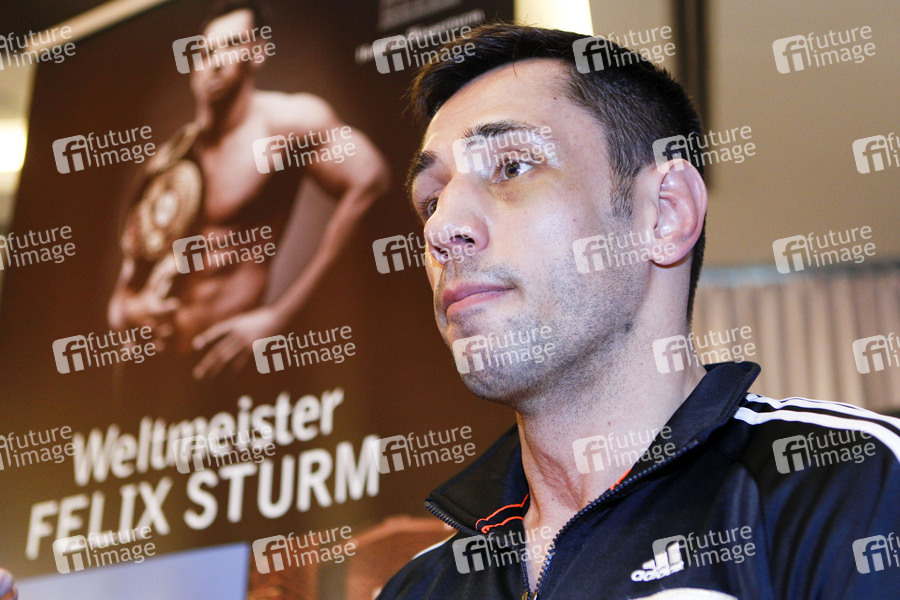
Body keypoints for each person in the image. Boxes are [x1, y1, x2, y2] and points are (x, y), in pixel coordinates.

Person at [377, 23, 900, 599]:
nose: (442, 229)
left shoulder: (855, 488)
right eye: (431, 200)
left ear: (665, 213)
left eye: (511, 167)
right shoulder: (417, 589)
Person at [107, 0, 389, 381]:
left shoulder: (287, 124)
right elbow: (120, 301)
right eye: (206, 52)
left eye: (231, 45)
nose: (215, 62)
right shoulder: (166, 165)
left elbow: (371, 180)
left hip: (227, 365)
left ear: (256, 53)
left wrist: (281, 316)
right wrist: (136, 310)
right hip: (154, 377)